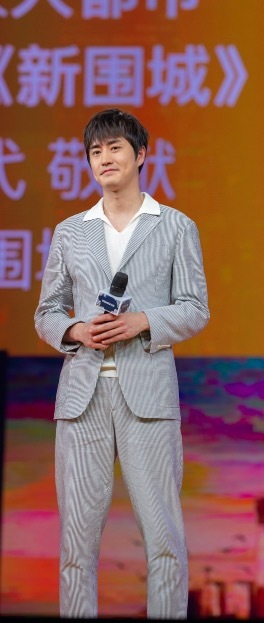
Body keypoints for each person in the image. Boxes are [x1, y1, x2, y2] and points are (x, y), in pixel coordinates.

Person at [34, 108, 209, 619]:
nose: (104, 158)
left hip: (148, 394)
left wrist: (143, 321)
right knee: (76, 544)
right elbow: (47, 311)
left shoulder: (175, 226)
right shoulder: (71, 231)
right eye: (95, 151)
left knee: (164, 539)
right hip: (82, 398)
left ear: (141, 155)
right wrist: (74, 330)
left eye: (114, 148)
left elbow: (195, 308)